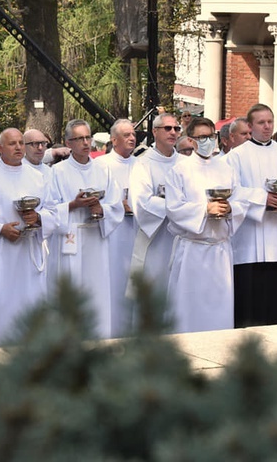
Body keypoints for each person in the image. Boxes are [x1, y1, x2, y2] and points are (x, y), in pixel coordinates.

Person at [0, 128, 58, 348]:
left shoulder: (38, 177)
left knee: (31, 304)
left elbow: (54, 213)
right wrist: (0, 229)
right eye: (12, 143)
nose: (18, 147)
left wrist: (37, 218)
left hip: (29, 253)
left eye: (20, 143)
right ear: (0, 148)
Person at [226, 104, 277, 327]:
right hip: (249, 242)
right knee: (251, 301)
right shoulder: (237, 156)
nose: (267, 126)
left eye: (270, 122)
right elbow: (231, 191)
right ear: (250, 126)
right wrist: (263, 199)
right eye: (261, 122)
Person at [165, 117, 246, 333]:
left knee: (220, 312)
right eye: (202, 137)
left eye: (211, 136)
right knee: (188, 311)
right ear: (191, 141)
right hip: (193, 249)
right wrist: (204, 210)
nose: (208, 141)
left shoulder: (226, 168)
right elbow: (173, 208)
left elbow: (240, 200)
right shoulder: (179, 171)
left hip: (220, 250)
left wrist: (231, 209)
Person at [48, 119, 123, 338]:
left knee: (96, 290)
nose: (85, 142)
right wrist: (73, 205)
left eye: (88, 137)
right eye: (79, 138)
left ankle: (97, 339)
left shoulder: (104, 169)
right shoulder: (58, 172)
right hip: (69, 237)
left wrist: (100, 209)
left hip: (95, 238)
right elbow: (50, 208)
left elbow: (116, 205)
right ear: (68, 143)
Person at [129, 113, 184, 300]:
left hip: (183, 236)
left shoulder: (186, 164)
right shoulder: (143, 163)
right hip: (156, 238)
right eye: (167, 128)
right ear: (154, 131)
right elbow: (141, 201)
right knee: (154, 291)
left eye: (176, 128)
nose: (173, 132)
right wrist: (177, 207)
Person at [95, 119, 138, 335]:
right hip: (112, 234)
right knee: (114, 286)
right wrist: (117, 206)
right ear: (114, 140)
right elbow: (95, 202)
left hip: (138, 232)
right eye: (126, 135)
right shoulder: (101, 166)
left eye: (133, 134)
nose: (132, 138)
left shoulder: (141, 164)